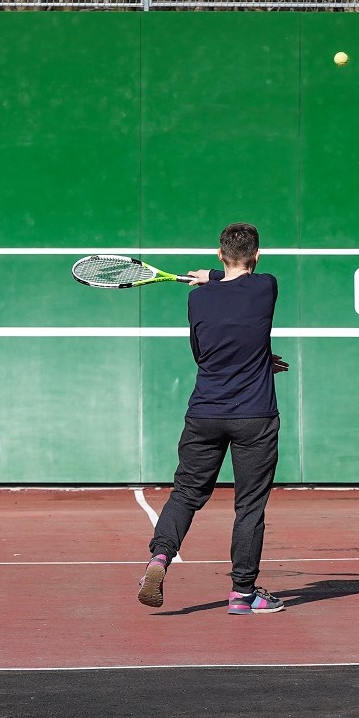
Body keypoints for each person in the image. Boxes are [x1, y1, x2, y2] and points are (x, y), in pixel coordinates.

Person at [137, 222, 289, 615]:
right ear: (258, 256)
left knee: (186, 493)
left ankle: (160, 558)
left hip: (205, 412)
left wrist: (211, 279)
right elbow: (242, 284)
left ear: (219, 253)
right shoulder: (266, 286)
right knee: (250, 505)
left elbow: (205, 354)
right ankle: (242, 593)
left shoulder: (198, 301)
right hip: (254, 417)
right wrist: (258, 364)